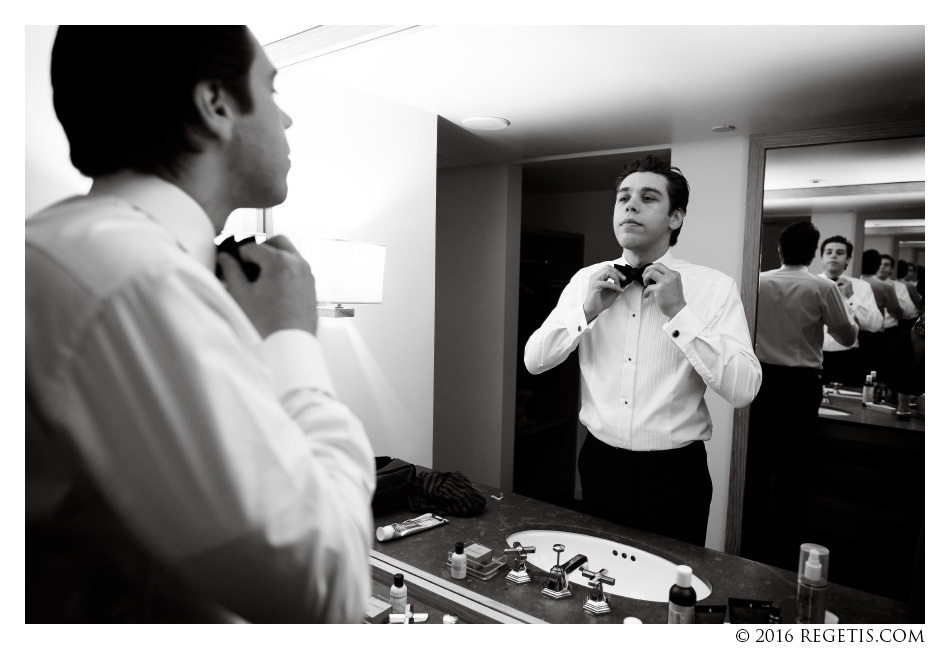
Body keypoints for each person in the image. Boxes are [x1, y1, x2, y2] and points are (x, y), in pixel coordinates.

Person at [26, 26, 375, 622]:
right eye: (271, 89)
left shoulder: (81, 253)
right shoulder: (134, 282)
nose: (286, 121)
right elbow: (325, 592)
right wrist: (291, 337)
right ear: (215, 104)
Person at [524, 155, 761, 547]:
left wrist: (680, 313)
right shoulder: (587, 280)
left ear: (676, 217)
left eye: (648, 197)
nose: (630, 205)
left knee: (673, 592)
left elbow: (744, 389)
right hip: (599, 464)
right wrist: (587, 311)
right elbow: (535, 361)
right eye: (623, 197)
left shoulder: (714, 287)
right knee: (596, 583)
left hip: (676, 476)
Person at [744, 221, 857, 569]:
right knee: (794, 465)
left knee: (756, 461)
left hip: (761, 379)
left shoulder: (757, 281)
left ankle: (748, 536)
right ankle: (787, 545)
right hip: (801, 383)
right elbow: (848, 336)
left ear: (779, 249)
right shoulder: (822, 287)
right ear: (813, 252)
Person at [817, 235, 883, 387]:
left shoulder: (861, 286)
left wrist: (851, 297)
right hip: (812, 356)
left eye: (840, 252)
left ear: (847, 259)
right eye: (828, 252)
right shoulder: (810, 284)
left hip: (845, 358)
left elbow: (875, 325)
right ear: (822, 258)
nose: (833, 255)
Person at [860, 249, 904, 373]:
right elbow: (897, 313)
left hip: (853, 332)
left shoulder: (851, 283)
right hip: (873, 335)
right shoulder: (884, 286)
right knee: (871, 369)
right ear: (877, 265)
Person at [878, 254, 918, 333]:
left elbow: (910, 311)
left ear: (891, 269)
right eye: (879, 264)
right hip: (867, 330)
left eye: (886, 265)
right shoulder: (865, 285)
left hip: (890, 328)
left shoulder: (899, 286)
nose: (882, 267)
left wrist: (893, 297)